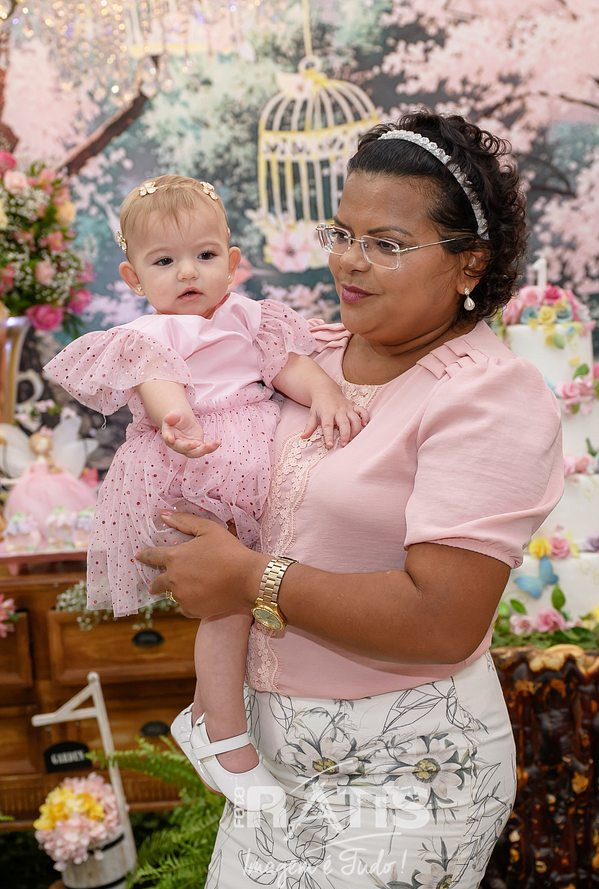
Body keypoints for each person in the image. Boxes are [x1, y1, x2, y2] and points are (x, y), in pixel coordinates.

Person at [136, 112, 565, 889]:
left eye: (387, 244)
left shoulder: (490, 396)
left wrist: (248, 579)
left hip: (409, 767)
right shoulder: (306, 355)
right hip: (273, 767)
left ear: (469, 262)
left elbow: (442, 620)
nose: (349, 261)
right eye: (342, 232)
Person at [43, 174, 368, 812]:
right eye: (164, 262)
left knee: (267, 590)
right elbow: (159, 383)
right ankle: (223, 735)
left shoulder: (252, 318)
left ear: (233, 261)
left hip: (257, 461)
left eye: (205, 255)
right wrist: (177, 419)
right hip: (197, 465)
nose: (188, 272)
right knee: (230, 605)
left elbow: (290, 368)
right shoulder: (148, 336)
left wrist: (325, 393)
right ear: (134, 278)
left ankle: (219, 713)